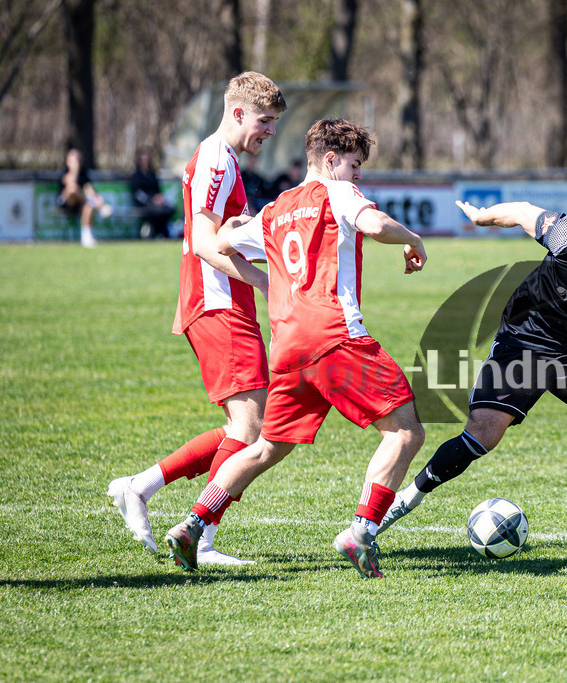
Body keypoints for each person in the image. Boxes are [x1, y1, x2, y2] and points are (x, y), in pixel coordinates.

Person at [162, 118, 428, 579]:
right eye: (354, 164)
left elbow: (221, 241)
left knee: (268, 446)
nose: (358, 175)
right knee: (405, 432)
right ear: (330, 161)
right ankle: (361, 530)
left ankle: (192, 523)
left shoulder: (275, 209)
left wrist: (240, 225)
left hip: (286, 346)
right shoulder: (337, 192)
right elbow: (377, 223)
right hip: (335, 337)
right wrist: (413, 239)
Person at [378, 200, 567, 568]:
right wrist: (480, 217)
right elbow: (522, 212)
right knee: (483, 433)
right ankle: (408, 498)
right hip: (524, 341)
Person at [107, 72, 287, 565]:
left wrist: (257, 228)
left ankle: (140, 488)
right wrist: (269, 283)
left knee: (244, 427)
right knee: (252, 428)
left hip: (225, 303)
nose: (269, 131)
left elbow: (223, 231)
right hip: (218, 304)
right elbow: (206, 245)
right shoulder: (215, 159)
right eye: (265, 121)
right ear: (237, 113)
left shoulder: (224, 158)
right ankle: (200, 537)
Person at [59, 147, 112, 248]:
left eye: (77, 161)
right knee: (72, 190)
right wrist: (74, 170)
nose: (75, 163)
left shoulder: (83, 175)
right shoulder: (65, 173)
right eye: (72, 160)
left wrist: (96, 198)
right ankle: (94, 204)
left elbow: (89, 188)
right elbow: (70, 184)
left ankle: (86, 238)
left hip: (80, 204)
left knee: (89, 206)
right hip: (67, 203)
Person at [130, 147, 176, 239]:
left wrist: (159, 198)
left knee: (169, 209)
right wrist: (151, 200)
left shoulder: (152, 174)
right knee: (157, 211)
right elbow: (137, 194)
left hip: (155, 201)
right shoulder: (136, 176)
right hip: (144, 202)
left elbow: (157, 189)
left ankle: (163, 233)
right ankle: (157, 233)